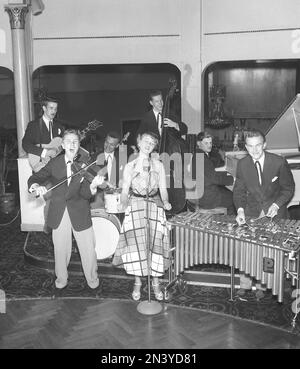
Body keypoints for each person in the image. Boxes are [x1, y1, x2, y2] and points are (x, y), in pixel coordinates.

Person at [27, 129, 105, 292]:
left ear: (79, 145)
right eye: (68, 141)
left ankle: (93, 281)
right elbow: (36, 178)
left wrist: (92, 186)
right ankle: (61, 281)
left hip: (80, 209)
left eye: (75, 141)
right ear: (62, 145)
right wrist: (36, 186)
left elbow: (84, 194)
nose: (72, 144)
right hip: (59, 210)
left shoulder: (86, 164)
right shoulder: (55, 163)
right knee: (60, 250)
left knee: (88, 249)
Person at [233, 129, 295, 298]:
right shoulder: (243, 164)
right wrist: (240, 210)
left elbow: (288, 188)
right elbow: (238, 191)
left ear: (265, 144)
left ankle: (263, 284)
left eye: (258, 145)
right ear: (246, 147)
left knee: (268, 252)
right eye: (251, 146)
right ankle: (245, 284)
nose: (255, 150)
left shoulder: (279, 162)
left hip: (274, 213)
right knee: (247, 250)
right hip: (252, 212)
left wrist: (276, 204)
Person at [112, 131, 172, 301]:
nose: (148, 145)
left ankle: (156, 283)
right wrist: (122, 203)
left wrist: (166, 202)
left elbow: (163, 190)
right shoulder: (130, 166)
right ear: (139, 142)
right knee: (136, 246)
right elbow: (125, 191)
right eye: (146, 141)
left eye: (152, 143)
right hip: (136, 205)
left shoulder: (159, 165)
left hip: (154, 205)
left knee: (155, 245)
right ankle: (138, 282)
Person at [188, 131, 235, 214]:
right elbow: (214, 178)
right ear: (199, 143)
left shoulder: (197, 154)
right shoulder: (202, 157)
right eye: (206, 143)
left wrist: (224, 169)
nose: (209, 145)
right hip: (207, 198)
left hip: (200, 192)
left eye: (210, 142)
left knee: (227, 192)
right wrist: (232, 179)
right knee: (235, 198)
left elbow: (208, 172)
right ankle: (228, 224)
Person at [22, 96, 65, 172]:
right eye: (51, 108)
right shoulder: (33, 125)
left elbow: (63, 145)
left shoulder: (60, 126)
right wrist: (44, 152)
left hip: (57, 166)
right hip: (40, 165)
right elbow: (26, 144)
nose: (54, 111)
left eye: (55, 109)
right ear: (44, 108)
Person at [89, 131, 123, 209]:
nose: (107, 146)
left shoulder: (122, 158)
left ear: (117, 145)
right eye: (106, 143)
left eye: (111, 145)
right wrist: (105, 183)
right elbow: (90, 175)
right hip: (98, 194)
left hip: (116, 194)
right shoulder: (95, 157)